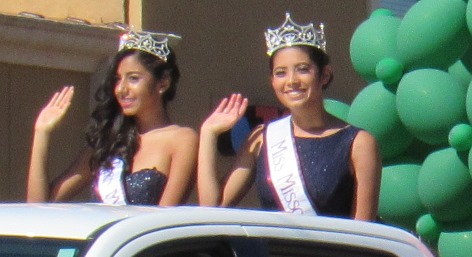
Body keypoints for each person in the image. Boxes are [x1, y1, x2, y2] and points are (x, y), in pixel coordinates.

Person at [198, 13, 381, 221]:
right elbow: (213, 206)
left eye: (303, 69)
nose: (292, 81)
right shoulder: (262, 137)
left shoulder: (358, 143)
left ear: (324, 75)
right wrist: (208, 134)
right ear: (272, 81)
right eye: (281, 73)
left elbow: (364, 232)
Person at [27, 30, 198, 206]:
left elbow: (165, 218)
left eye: (133, 78)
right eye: (117, 79)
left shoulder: (182, 140)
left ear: (163, 83)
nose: (121, 89)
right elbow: (39, 205)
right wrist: (41, 132)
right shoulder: (110, 142)